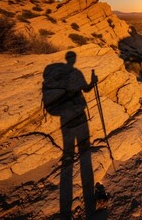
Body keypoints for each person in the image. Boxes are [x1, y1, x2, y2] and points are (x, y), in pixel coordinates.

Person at [42, 51, 97, 219]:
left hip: (65, 116)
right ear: (72, 60)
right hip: (78, 112)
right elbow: (86, 89)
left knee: (68, 147)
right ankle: (80, 159)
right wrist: (93, 82)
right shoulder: (76, 73)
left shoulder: (61, 75)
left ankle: (69, 159)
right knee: (83, 145)